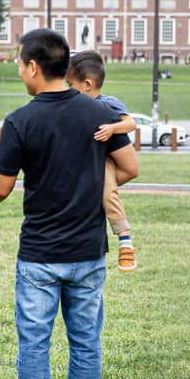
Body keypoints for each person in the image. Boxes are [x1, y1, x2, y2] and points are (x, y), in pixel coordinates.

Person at [0, 29, 138, 379]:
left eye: (21, 64)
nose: (21, 71)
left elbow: (0, 189)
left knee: (35, 346)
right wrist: (97, 183)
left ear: (34, 67)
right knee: (86, 345)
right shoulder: (98, 113)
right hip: (89, 249)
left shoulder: (21, 121)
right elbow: (129, 168)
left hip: (40, 253)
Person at [65, 51, 138, 272]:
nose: (68, 89)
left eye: (71, 84)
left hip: (103, 160)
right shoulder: (73, 107)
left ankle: (125, 240)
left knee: (108, 192)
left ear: (87, 84)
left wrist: (112, 128)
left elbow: (131, 123)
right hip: (79, 163)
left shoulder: (108, 104)